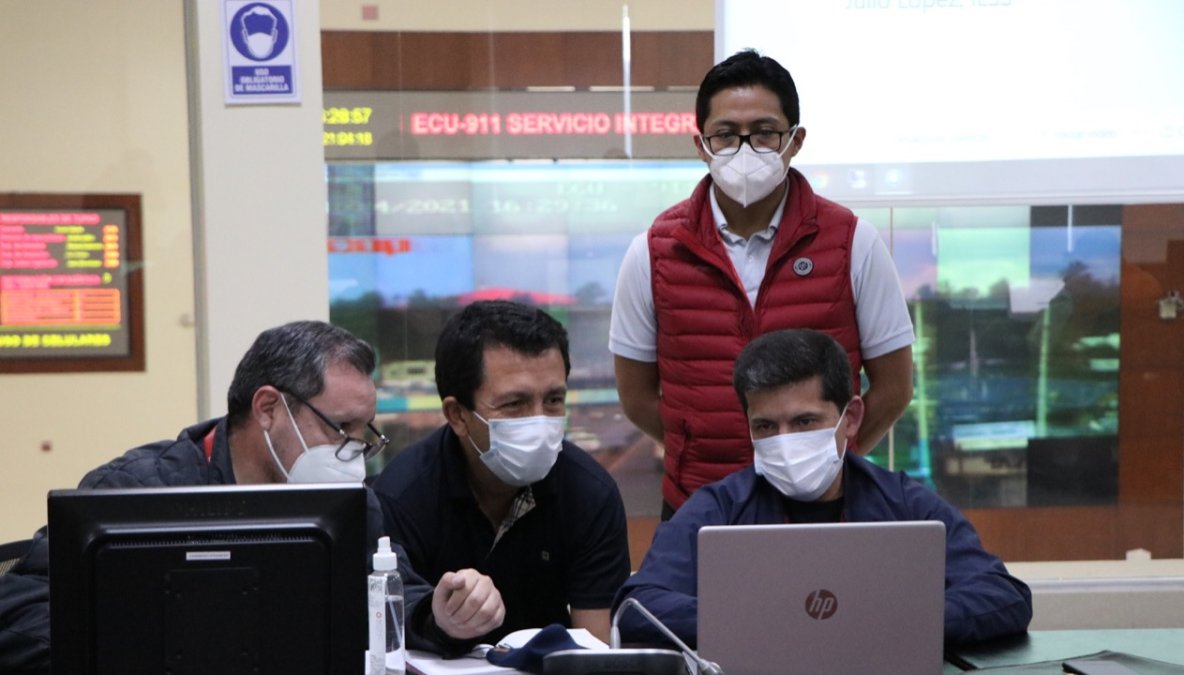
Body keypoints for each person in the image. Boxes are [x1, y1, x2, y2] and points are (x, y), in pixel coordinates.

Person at [0, 321, 505, 673]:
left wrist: (441, 616)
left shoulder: (348, 503)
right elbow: (18, 612)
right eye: (341, 427)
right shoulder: (138, 490)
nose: (357, 452)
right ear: (268, 408)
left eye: (364, 430)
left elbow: (393, 595)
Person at [609, 49, 915, 518]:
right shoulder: (652, 253)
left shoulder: (853, 242)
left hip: (829, 505)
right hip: (697, 506)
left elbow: (893, 388)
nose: (745, 149)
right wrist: (696, 448)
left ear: (794, 141)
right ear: (701, 145)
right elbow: (636, 398)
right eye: (726, 135)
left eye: (766, 133)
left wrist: (833, 459)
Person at [613, 329, 1032, 647]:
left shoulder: (903, 502)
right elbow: (638, 607)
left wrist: (889, 622)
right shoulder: (718, 509)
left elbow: (1005, 596)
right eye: (765, 426)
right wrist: (775, 623)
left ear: (850, 418)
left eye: (804, 422)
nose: (784, 439)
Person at [373, 300, 630, 650]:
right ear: (457, 415)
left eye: (554, 400)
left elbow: (596, 651)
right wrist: (440, 620)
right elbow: (387, 633)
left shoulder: (590, 493)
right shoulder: (401, 495)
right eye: (514, 404)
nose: (539, 421)